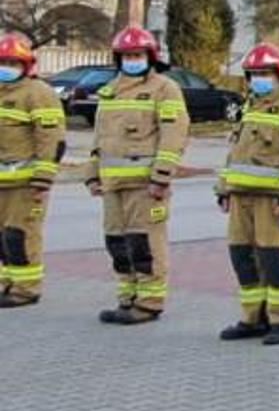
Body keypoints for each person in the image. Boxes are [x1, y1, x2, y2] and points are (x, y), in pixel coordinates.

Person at [214, 42, 279, 345]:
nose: (259, 79)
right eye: (254, 73)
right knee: (243, 257)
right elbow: (235, 154)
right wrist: (224, 189)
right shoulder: (249, 108)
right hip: (240, 197)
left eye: (265, 73)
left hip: (273, 202)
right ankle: (253, 318)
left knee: (277, 260)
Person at [85, 25, 188, 325]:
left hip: (145, 185)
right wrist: (92, 174)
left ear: (150, 56)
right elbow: (99, 138)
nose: (132, 59)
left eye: (138, 54)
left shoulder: (165, 89)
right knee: (117, 243)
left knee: (144, 244)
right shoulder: (110, 91)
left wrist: (161, 177)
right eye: (127, 55)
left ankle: (149, 302)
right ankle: (127, 298)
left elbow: (174, 135)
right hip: (112, 184)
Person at [0, 33, 64, 308]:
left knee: (20, 235)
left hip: (26, 182)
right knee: (3, 238)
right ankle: (8, 284)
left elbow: (51, 139)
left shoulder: (39, 93)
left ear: (26, 65)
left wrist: (43, 178)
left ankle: (27, 288)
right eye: (3, 61)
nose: (6, 67)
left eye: (13, 62)